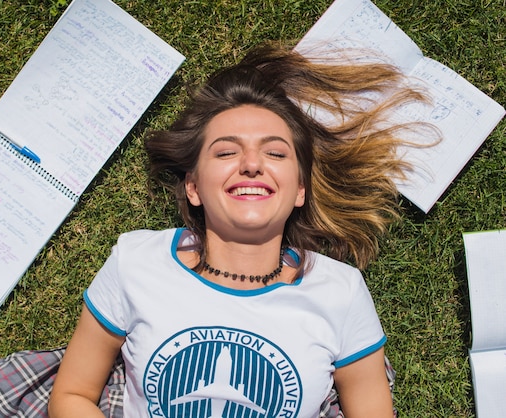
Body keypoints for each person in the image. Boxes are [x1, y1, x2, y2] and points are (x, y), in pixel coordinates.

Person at [48, 42, 435, 418]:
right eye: (226, 152)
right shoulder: (135, 261)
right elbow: (72, 394)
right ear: (193, 186)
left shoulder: (342, 292)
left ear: (300, 189)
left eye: (276, 153)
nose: (252, 164)